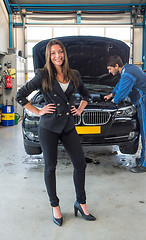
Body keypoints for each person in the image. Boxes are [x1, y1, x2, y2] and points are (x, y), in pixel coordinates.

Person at [15, 39, 96, 226]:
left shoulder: (74, 74)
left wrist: (81, 108)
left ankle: (81, 203)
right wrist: (38, 111)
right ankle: (55, 207)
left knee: (80, 164)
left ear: (64, 54)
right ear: (49, 56)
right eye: (53, 53)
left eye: (60, 52)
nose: (57, 56)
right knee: (50, 167)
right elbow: (20, 95)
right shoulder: (42, 75)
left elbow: (86, 95)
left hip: (68, 125)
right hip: (48, 127)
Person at [104, 55, 146, 173]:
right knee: (144, 131)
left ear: (116, 66)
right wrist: (111, 94)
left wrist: (116, 99)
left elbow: (122, 92)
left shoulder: (127, 73)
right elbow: (120, 84)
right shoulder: (128, 69)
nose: (109, 72)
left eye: (110, 69)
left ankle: (145, 165)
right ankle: (144, 158)